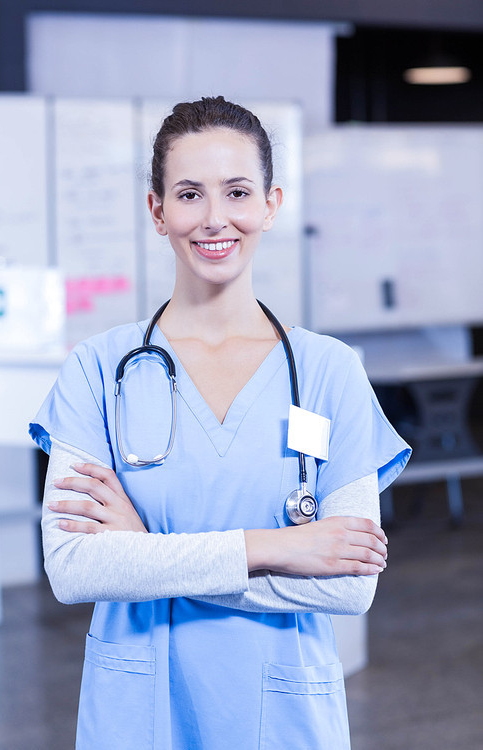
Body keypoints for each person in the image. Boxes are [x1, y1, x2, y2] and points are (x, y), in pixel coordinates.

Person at [29, 96, 411, 750]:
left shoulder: (328, 372)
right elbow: (75, 568)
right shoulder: (98, 371)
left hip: (284, 721)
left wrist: (147, 551)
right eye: (188, 194)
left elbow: (349, 585)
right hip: (140, 715)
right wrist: (277, 548)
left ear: (270, 204)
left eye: (237, 192)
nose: (214, 219)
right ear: (158, 211)